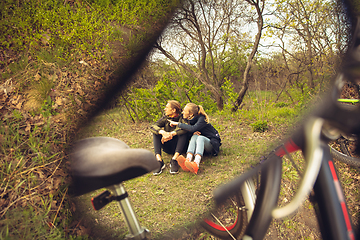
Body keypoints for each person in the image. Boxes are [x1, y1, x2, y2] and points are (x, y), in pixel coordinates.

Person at [169, 103, 221, 174]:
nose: (183, 112)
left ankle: (196, 164)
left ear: (190, 114)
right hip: (201, 146)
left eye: (184, 111)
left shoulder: (202, 119)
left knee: (200, 138)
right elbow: (190, 131)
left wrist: (177, 124)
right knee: (195, 136)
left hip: (212, 144)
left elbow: (193, 128)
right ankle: (187, 160)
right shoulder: (189, 120)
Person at [150, 100, 189, 175]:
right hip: (168, 147)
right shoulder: (165, 118)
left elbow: (186, 127)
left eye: (167, 107)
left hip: (181, 147)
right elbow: (153, 126)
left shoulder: (183, 117)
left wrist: (171, 134)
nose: (165, 109)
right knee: (156, 132)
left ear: (174, 110)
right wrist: (163, 133)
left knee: (183, 132)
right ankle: (159, 161)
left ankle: (174, 159)